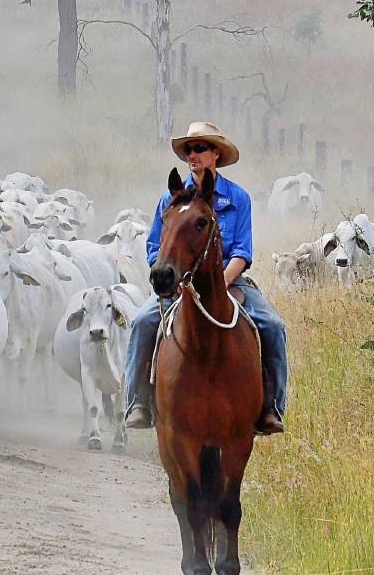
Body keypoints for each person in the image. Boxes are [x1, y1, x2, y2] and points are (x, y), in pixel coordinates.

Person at [123, 121, 287, 435]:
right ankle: (138, 401)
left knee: (272, 325)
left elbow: (242, 249)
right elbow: (155, 244)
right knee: (142, 322)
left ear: (215, 153)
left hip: (229, 280)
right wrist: (167, 276)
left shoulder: (238, 198)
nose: (192, 155)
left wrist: (221, 281)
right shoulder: (170, 199)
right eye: (188, 149)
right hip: (178, 282)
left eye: (199, 148)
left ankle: (271, 405)